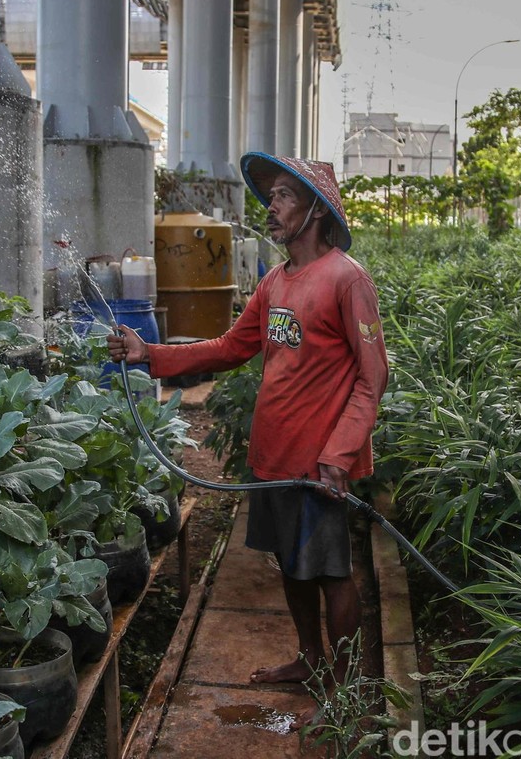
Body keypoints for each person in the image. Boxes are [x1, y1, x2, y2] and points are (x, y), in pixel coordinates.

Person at [107, 152, 388, 727]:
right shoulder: (275, 282)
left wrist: (339, 454)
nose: (272, 206)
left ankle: (345, 687)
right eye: (273, 195)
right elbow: (230, 347)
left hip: (318, 462)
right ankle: (310, 660)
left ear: (316, 209)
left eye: (284, 195)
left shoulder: (346, 278)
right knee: (290, 564)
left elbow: (372, 374)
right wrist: (151, 354)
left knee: (331, 571)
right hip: (274, 458)